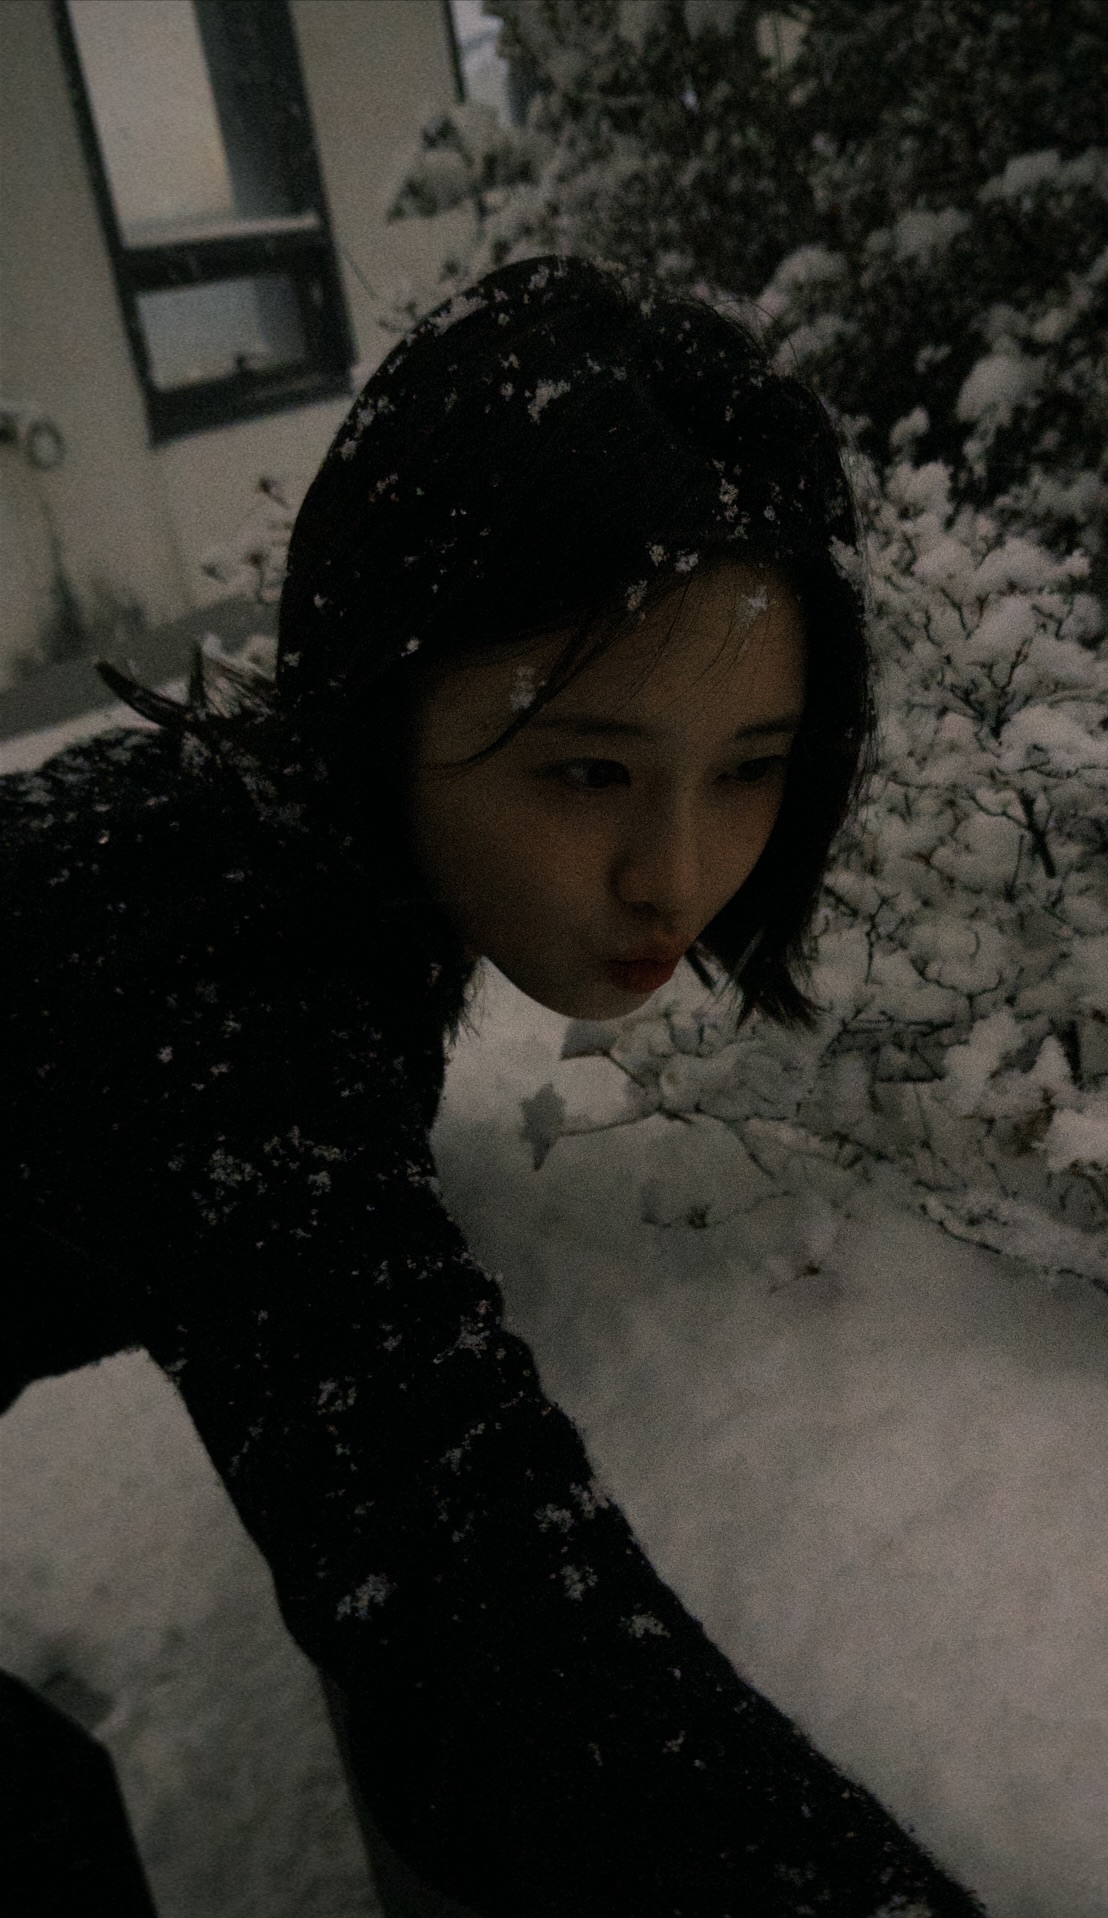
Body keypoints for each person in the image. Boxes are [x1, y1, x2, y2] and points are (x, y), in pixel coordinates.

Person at [1, 255, 987, 1915]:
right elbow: (481, 1627)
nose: (678, 872)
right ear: (382, 691)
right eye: (590, 768)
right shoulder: (208, 970)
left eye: (752, 768)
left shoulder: (266, 857)